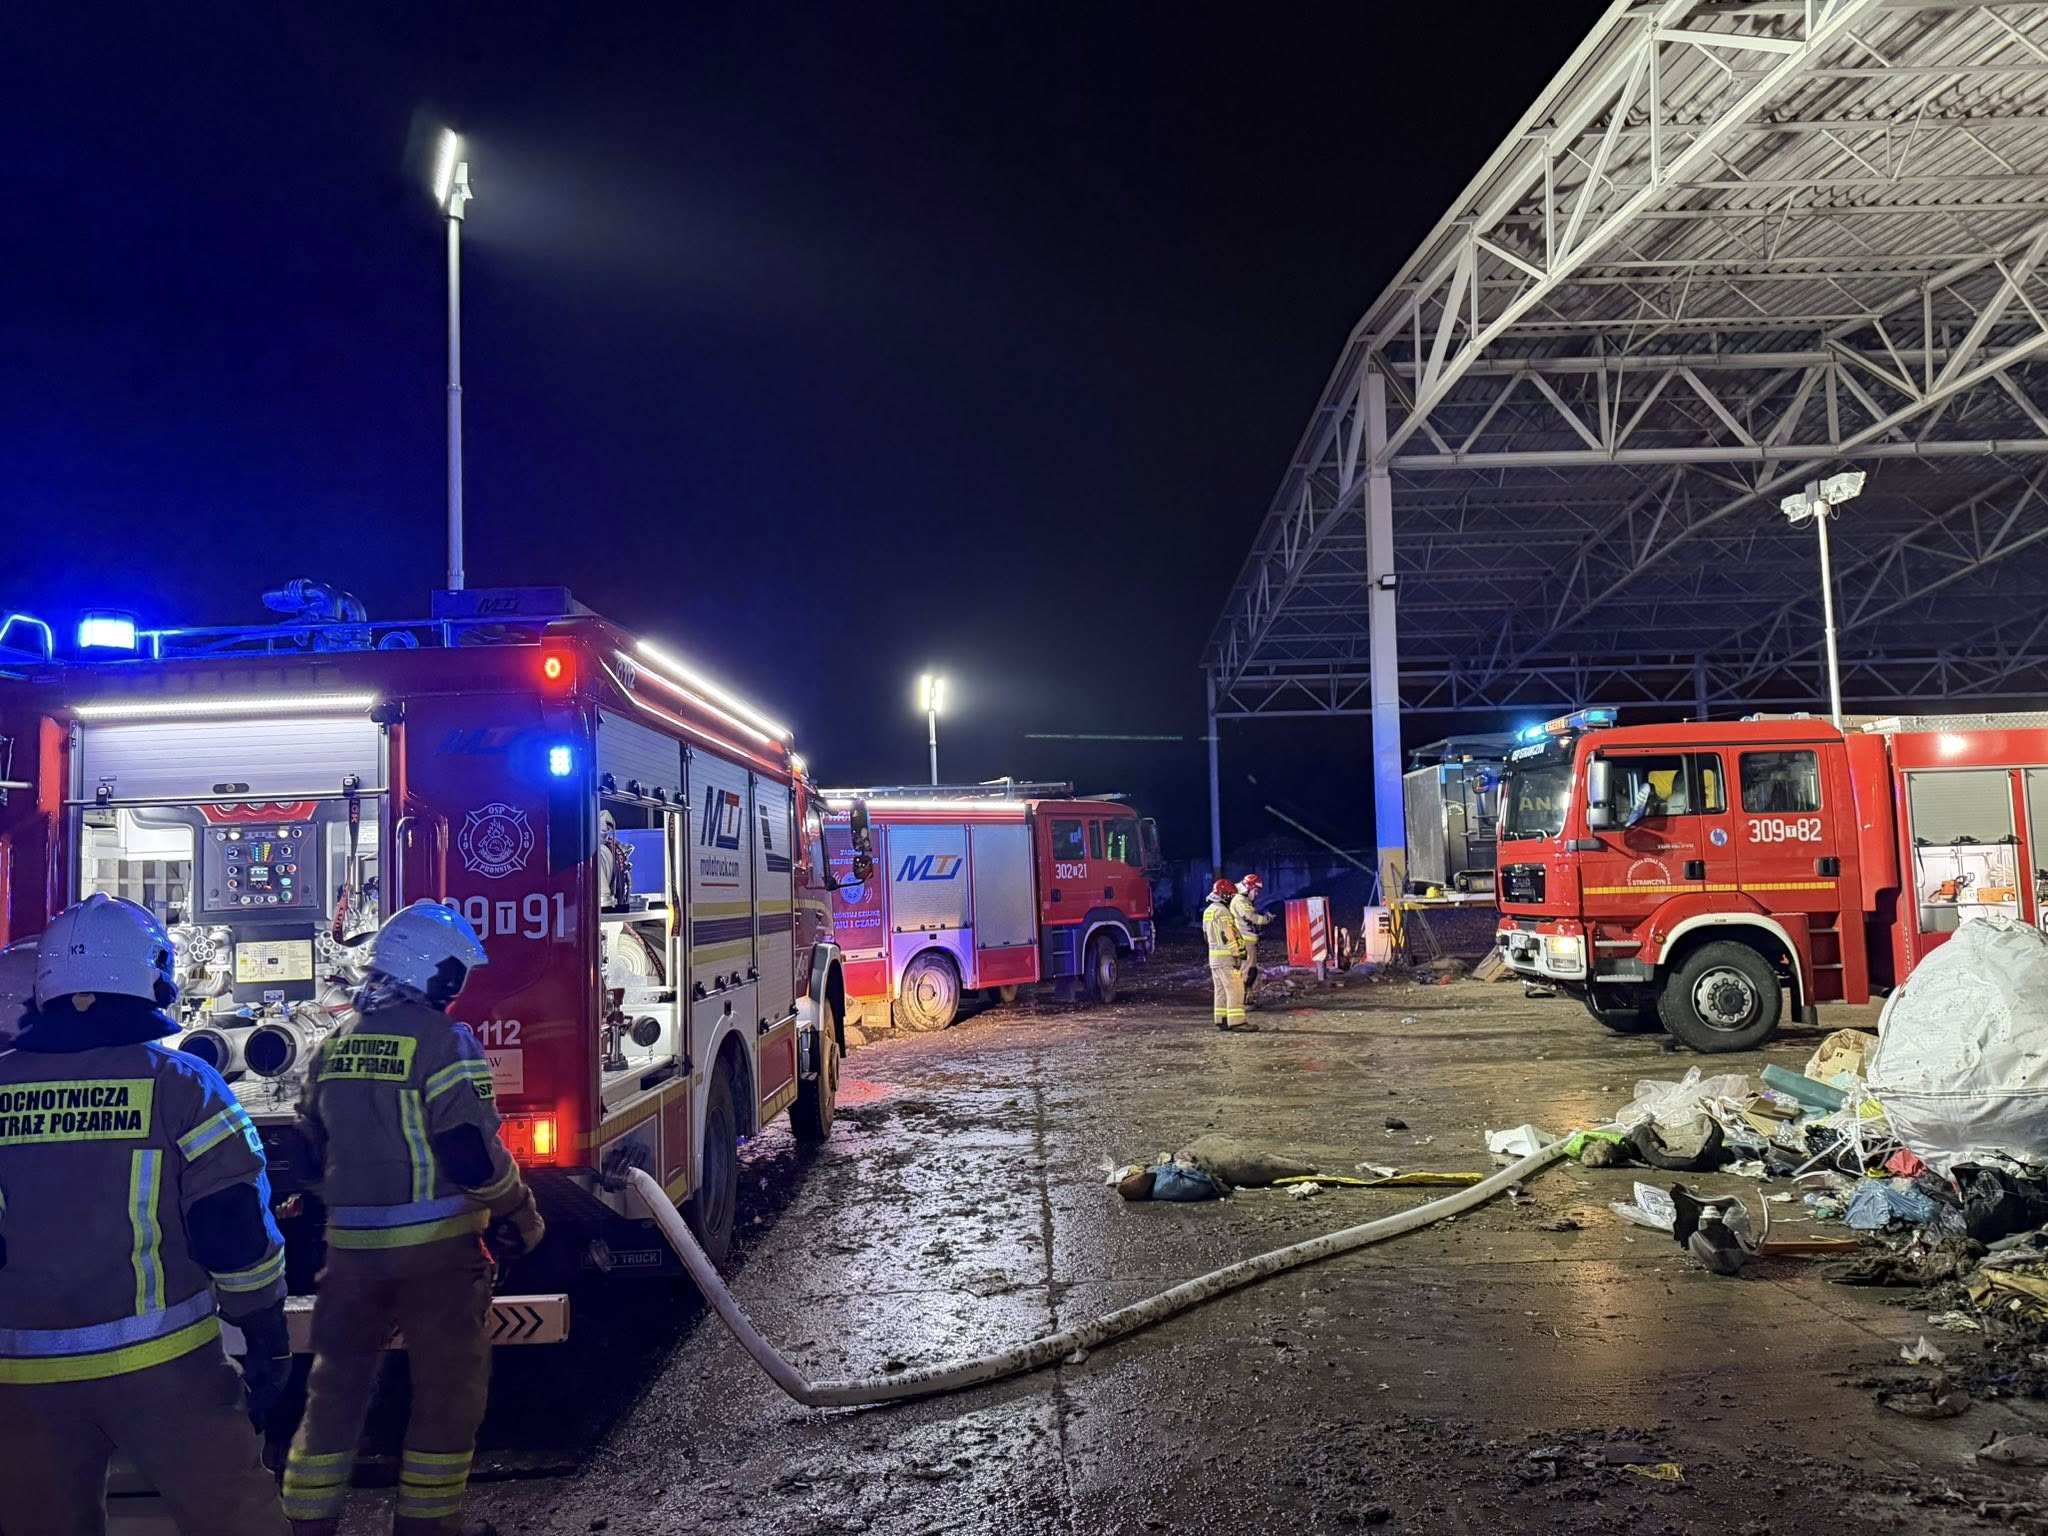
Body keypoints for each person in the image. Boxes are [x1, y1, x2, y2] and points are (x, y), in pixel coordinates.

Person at [0, 895, 290, 1536]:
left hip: (23, 1380)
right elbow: (232, 1230)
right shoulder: (184, 1083)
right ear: (152, 977)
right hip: (167, 1371)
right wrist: (265, 1331)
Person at [281, 900, 544, 1536]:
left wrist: (348, 1198)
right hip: (437, 1258)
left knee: (333, 1396)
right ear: (437, 973)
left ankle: (306, 1525)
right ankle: (427, 1527)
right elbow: (469, 1154)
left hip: (348, 1259)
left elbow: (306, 1151)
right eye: (457, 973)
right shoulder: (444, 1042)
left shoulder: (335, 1043)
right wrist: (519, 1210)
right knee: (447, 1396)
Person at [1202, 878, 1251, 1032]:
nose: (1231, 898)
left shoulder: (1208, 911)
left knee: (1221, 990)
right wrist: (1237, 954)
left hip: (1214, 957)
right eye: (1231, 895)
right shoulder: (1223, 911)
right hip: (1226, 957)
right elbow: (1228, 935)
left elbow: (1205, 936)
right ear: (1224, 895)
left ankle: (1221, 1019)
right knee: (1236, 989)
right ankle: (1237, 1022)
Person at [1230, 874, 1273, 1009]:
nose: (1257, 894)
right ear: (1248, 888)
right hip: (1246, 941)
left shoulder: (1242, 900)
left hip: (1247, 940)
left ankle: (1246, 999)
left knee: (1250, 971)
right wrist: (1266, 919)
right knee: (1248, 972)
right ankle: (1242, 1001)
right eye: (1255, 890)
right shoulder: (1240, 900)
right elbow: (1250, 917)